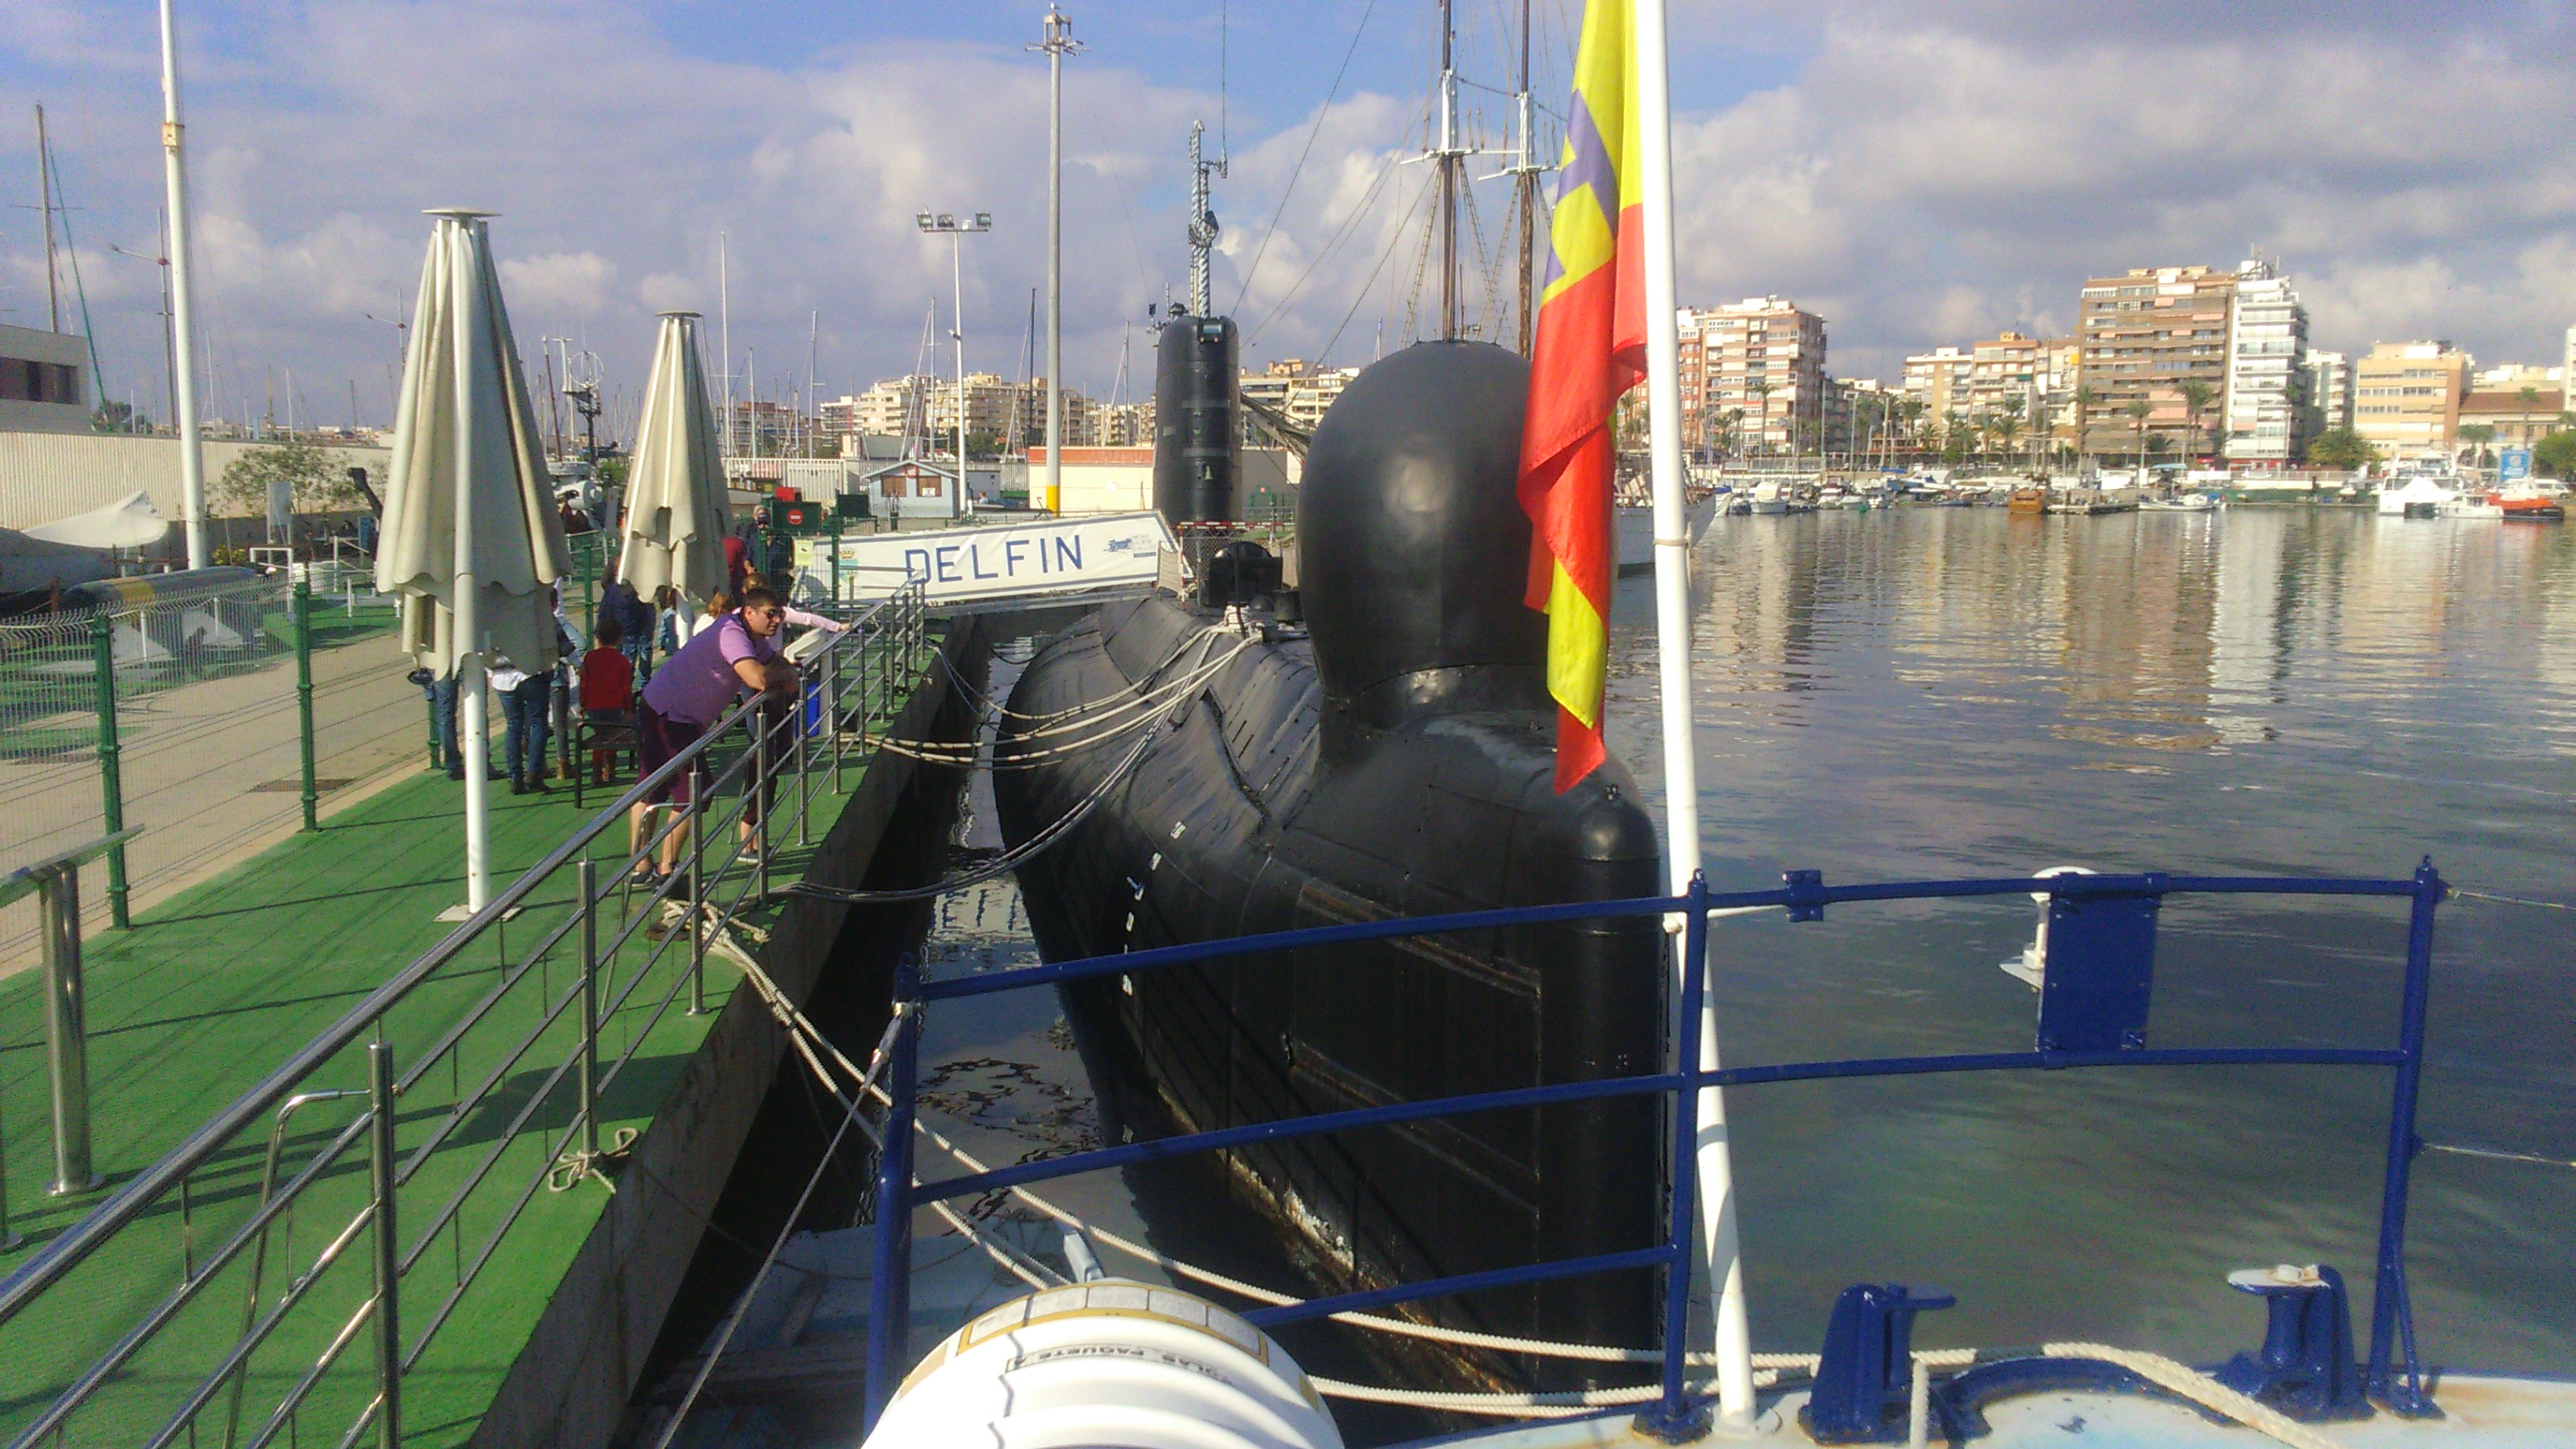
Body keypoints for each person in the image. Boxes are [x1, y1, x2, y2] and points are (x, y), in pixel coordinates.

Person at [630, 585, 799, 890]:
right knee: (694, 792)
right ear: (750, 612)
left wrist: (785, 670)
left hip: (665, 708)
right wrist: (784, 678)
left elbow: (772, 662)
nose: (777, 621)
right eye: (771, 614)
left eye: (781, 614)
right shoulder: (732, 633)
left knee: (653, 786)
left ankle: (640, 866)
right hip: (670, 716)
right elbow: (756, 677)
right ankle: (667, 870)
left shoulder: (751, 636)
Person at [578, 617, 636, 786]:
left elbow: (584, 683)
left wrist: (583, 704)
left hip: (593, 707)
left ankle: (597, 771)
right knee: (612, 734)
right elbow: (626, 688)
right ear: (619, 637)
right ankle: (610, 768)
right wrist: (629, 709)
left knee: (600, 735)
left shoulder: (590, 657)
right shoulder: (622, 660)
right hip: (614, 706)